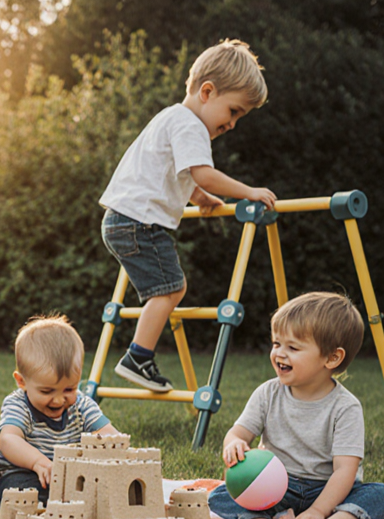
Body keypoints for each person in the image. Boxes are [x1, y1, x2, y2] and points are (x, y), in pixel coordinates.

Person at [100, 39, 277, 392]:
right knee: (170, 290)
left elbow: (175, 174)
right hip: (139, 223)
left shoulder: (170, 117)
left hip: (124, 219)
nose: (232, 124)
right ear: (207, 92)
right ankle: (138, 357)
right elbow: (202, 172)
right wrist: (249, 191)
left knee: (167, 289)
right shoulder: (191, 126)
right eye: (234, 111)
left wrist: (200, 197)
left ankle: (139, 356)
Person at [208, 292, 384, 519]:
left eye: (293, 347)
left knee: (382, 495)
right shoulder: (267, 393)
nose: (279, 353)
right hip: (275, 488)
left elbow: (344, 470)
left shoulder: (345, 407)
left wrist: (319, 509)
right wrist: (234, 444)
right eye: (277, 343)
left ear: (332, 358)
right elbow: (238, 433)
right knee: (220, 494)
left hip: (328, 491)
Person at [0, 315, 119, 508]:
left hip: (72, 479)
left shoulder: (82, 406)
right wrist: (37, 462)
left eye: (69, 389)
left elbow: (109, 435)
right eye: (46, 391)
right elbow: (8, 440)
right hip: (23, 475)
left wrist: (111, 450)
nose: (59, 400)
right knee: (20, 492)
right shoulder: (19, 405)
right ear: (22, 381)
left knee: (104, 487)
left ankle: (76, 504)